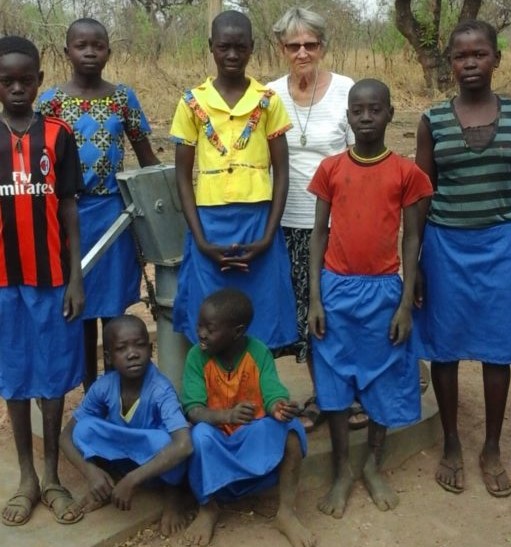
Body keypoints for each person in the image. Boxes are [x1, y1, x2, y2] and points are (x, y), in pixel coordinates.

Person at [414, 20, 511, 498]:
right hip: (445, 248)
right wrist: (418, 262)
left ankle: (491, 446)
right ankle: (451, 442)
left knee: (497, 348)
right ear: (450, 63)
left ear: (496, 59)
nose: (470, 63)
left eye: (480, 54)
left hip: (501, 248)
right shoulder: (432, 120)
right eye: (461, 56)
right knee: (444, 348)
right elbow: (421, 196)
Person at [308, 78, 433, 517]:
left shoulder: (406, 173)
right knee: (335, 380)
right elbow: (318, 234)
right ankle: (342, 470)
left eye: (374, 109)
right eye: (357, 110)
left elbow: (413, 238)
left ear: (389, 114)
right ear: (347, 115)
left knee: (384, 376)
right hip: (336, 288)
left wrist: (404, 304)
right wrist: (315, 299)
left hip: (383, 290)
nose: (365, 117)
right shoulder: (331, 170)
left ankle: (372, 464)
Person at [37, 18, 160, 391]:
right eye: (81, 45)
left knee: (112, 308)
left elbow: (145, 157)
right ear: (67, 52)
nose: (90, 52)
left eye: (98, 45)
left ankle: (117, 387)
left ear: (109, 51)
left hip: (114, 215)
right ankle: (91, 391)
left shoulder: (123, 98)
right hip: (69, 216)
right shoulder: (50, 103)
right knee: (80, 308)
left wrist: (167, 201)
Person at [170, 10, 297, 354]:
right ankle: (214, 401)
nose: (231, 55)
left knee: (261, 312)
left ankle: (256, 398)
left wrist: (268, 237)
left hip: (258, 223)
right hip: (208, 225)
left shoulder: (268, 101)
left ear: (252, 48)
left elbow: (281, 171)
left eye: (240, 47)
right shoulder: (192, 102)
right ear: (211, 47)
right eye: (224, 46)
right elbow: (182, 174)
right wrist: (201, 241)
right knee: (208, 315)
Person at [268, 7, 367, 432]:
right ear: (281, 49)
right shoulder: (269, 95)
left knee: (342, 309)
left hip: (337, 223)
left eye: (311, 44)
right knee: (306, 313)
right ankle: (325, 396)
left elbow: (359, 159)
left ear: (323, 46)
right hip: (287, 222)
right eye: (294, 46)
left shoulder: (347, 91)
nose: (303, 52)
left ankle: (352, 392)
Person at [0, 36, 85, 526]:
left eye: (24, 80)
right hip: (4, 283)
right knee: (14, 375)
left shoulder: (57, 134)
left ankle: (52, 476)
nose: (16, 88)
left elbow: (69, 207)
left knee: (52, 375)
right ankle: (26, 478)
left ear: (39, 79)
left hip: (52, 279)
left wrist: (75, 276)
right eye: (6, 81)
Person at [181, 288, 314, 547]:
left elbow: (273, 391)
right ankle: (208, 508)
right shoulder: (196, 357)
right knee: (197, 437)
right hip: (217, 437)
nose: (202, 333)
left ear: (237, 331)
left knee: (291, 432)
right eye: (200, 325)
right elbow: (193, 410)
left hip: (251, 434)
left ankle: (286, 512)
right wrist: (226, 415)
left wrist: (279, 407)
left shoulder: (258, 351)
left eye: (210, 328)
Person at [60, 315, 193, 535]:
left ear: (150, 349)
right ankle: (106, 485)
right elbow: (65, 437)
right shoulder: (104, 386)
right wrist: (90, 472)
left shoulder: (161, 389)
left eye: (140, 345)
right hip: (123, 457)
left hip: (154, 467)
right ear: (109, 357)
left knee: (170, 442)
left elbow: (185, 445)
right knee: (84, 429)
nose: (132, 354)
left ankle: (173, 499)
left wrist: (133, 479)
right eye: (122, 348)